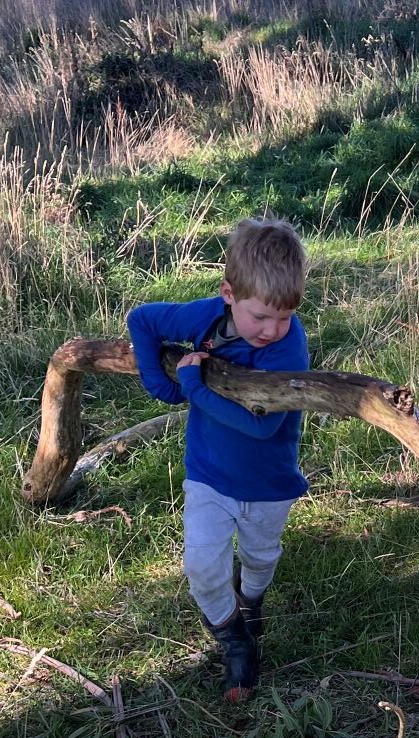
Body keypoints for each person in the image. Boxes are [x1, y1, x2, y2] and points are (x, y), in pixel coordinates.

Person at [125, 216, 310, 701]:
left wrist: (192, 387)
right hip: (208, 474)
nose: (272, 329)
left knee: (260, 556)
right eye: (260, 316)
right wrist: (161, 386)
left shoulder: (289, 349)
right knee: (202, 564)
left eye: (285, 316)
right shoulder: (205, 317)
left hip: (268, 481)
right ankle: (234, 642)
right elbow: (142, 319)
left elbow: (261, 425)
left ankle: (250, 602)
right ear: (229, 293)